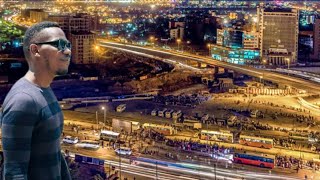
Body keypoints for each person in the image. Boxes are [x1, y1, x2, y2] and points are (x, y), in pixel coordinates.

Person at [0, 21, 72, 180]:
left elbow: (55, 154)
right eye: (58, 44)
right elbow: (15, 174)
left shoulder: (44, 90)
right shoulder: (24, 100)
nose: (67, 51)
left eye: (68, 45)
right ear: (35, 50)